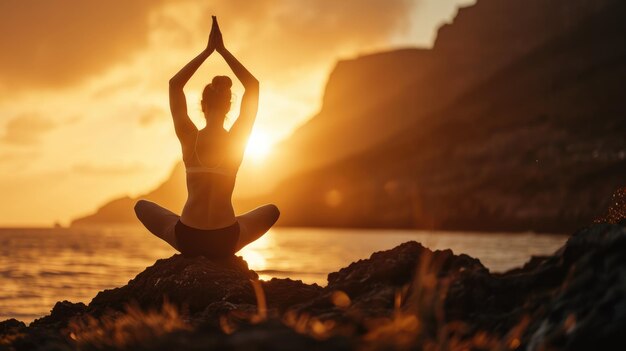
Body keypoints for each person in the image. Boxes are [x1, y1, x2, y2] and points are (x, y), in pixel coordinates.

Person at [134, 16, 279, 259]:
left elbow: (174, 85)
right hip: (225, 240)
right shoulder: (237, 140)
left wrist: (207, 51)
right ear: (228, 106)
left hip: (188, 237)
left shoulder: (189, 138)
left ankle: (191, 226)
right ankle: (228, 228)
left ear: (202, 105)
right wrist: (223, 51)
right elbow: (252, 86)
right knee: (272, 210)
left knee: (141, 206)